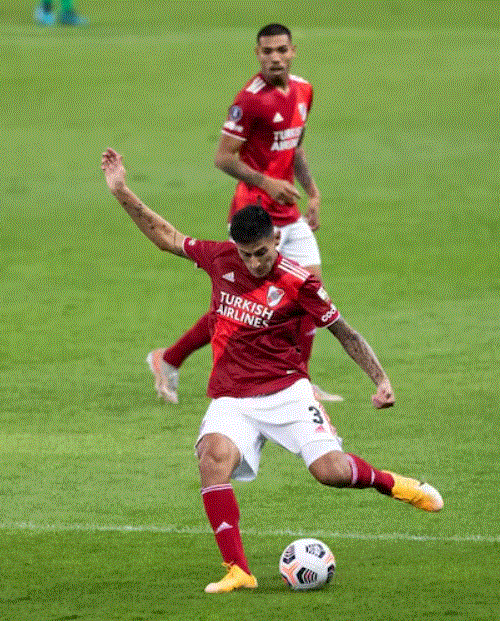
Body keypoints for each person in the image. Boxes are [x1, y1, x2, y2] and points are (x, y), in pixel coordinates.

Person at [102, 148, 443, 594]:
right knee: (212, 460)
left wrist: (381, 380)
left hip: (287, 391)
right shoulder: (221, 259)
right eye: (247, 255)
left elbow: (344, 332)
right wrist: (121, 191)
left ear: (276, 241)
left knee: (331, 472)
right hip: (233, 396)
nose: (254, 263)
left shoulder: (299, 282)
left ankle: (395, 484)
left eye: (261, 253)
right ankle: (238, 570)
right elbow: (167, 237)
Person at [147, 23, 341, 404]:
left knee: (308, 294)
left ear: (293, 51)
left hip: (289, 213)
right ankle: (167, 359)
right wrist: (267, 182)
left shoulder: (304, 90)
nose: (275, 58)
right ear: (257, 54)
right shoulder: (249, 101)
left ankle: (299, 381)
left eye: (281, 50)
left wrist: (313, 193)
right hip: (254, 215)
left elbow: (295, 147)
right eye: (267, 51)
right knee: (238, 306)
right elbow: (223, 158)